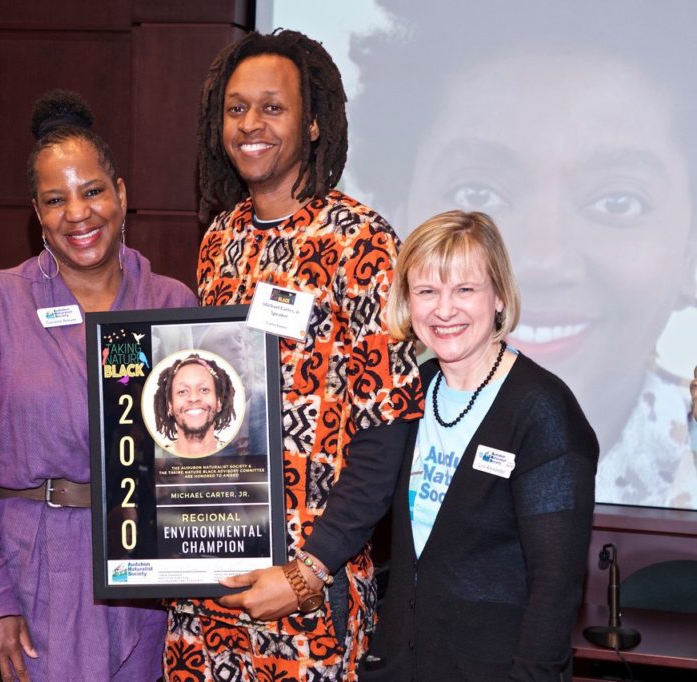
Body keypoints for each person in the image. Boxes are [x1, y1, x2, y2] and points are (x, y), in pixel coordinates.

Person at [346, 0, 697, 510]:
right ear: (402, 222)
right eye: (479, 193)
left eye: (618, 201)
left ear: (691, 249)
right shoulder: (387, 410)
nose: (543, 260)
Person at [164, 29, 423, 680]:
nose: (251, 124)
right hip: (209, 588)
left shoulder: (361, 242)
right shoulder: (219, 240)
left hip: (304, 599)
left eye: (273, 108)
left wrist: (311, 570)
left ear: (313, 123)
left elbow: (386, 427)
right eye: (237, 108)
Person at [0, 90, 197, 682]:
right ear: (37, 213)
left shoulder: (174, 303)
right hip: (28, 580)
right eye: (56, 199)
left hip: (142, 587)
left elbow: (195, 453)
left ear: (121, 195)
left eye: (93, 190)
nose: (78, 213)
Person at [357, 210, 598, 680]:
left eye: (465, 290)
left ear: (501, 298)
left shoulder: (542, 410)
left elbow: (556, 586)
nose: (444, 310)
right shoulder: (410, 392)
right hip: (404, 664)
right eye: (427, 291)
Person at [152, 353, 238, 457]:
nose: (193, 398)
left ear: (218, 402)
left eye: (204, 390)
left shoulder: (237, 457)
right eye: (182, 391)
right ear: (170, 405)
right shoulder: (158, 461)